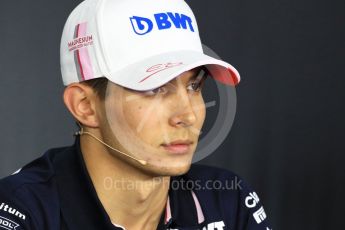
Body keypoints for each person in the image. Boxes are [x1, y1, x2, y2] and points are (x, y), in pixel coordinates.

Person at [0, 0, 271, 229]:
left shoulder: (228, 200)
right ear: (85, 105)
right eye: (154, 89)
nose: (187, 116)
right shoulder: (22, 211)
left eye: (194, 86)